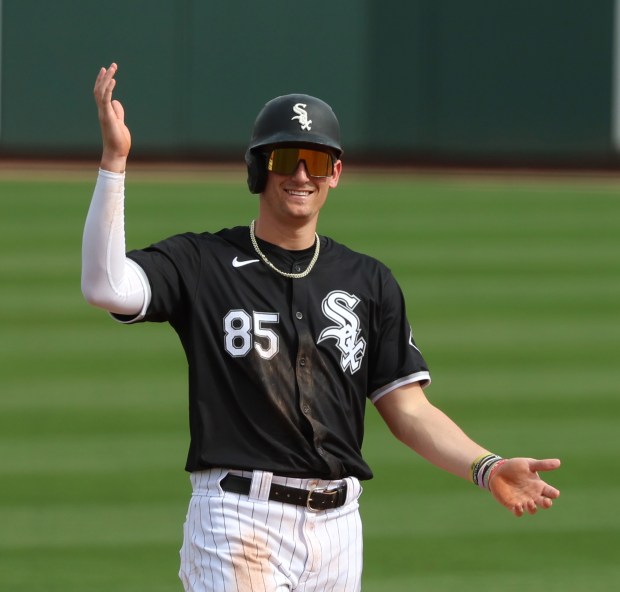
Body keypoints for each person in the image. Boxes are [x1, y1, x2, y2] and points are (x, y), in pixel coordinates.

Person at [82, 63, 561, 592]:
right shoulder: (204, 262)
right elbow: (107, 286)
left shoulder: (368, 280)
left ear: (336, 172)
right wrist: (114, 162)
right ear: (259, 168)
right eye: (287, 158)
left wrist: (486, 467)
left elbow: (408, 409)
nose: (302, 175)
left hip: (339, 531)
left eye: (316, 160)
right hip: (240, 521)